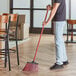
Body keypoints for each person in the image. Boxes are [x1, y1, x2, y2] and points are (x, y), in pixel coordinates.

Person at [43, 0, 69, 70]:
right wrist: (51, 7)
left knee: (58, 42)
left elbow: (54, 10)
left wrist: (47, 21)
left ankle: (59, 63)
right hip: (61, 20)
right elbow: (56, 7)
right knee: (60, 41)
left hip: (59, 20)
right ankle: (64, 59)